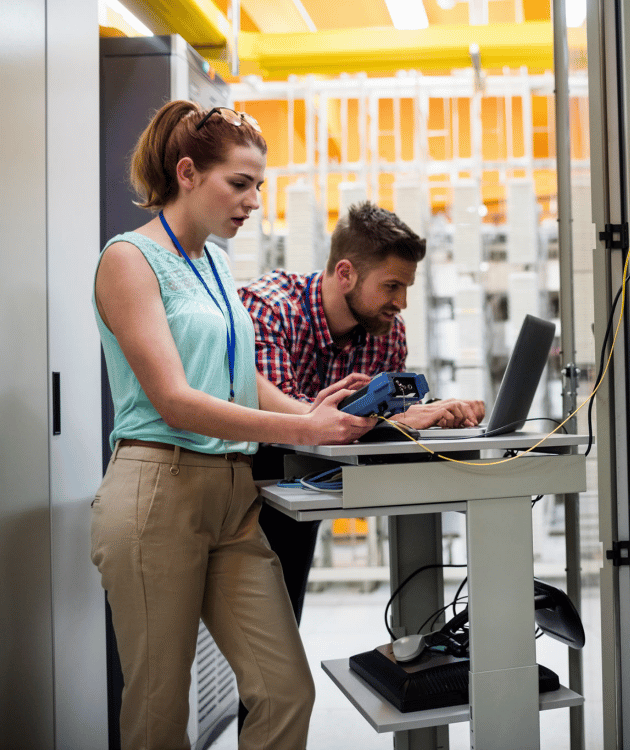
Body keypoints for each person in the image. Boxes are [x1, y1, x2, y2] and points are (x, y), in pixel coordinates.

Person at [91, 100, 376, 750]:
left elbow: (234, 375)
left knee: (283, 691)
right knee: (160, 713)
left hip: (232, 497)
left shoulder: (215, 262)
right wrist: (302, 434)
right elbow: (176, 398)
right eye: (239, 183)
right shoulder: (129, 260)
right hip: (156, 491)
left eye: (259, 186)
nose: (253, 200)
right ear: (187, 173)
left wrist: (311, 412)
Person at [236, 201, 484, 732]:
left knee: (276, 658)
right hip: (242, 492)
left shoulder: (385, 330)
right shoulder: (271, 308)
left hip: (299, 494)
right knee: (257, 667)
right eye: (392, 286)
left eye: (407, 289)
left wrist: (431, 419)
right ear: (345, 272)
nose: (401, 303)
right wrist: (397, 417)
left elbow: (384, 423)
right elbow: (291, 421)